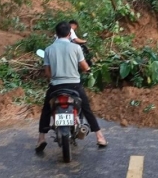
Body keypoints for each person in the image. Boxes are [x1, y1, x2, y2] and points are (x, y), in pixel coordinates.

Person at [36, 21, 107, 152]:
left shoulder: (49, 50)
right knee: (86, 109)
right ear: (69, 34)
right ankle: (99, 137)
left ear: (56, 34)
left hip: (56, 87)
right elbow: (85, 67)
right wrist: (88, 70)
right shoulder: (76, 48)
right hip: (74, 86)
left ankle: (41, 138)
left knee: (46, 110)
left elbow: (47, 73)